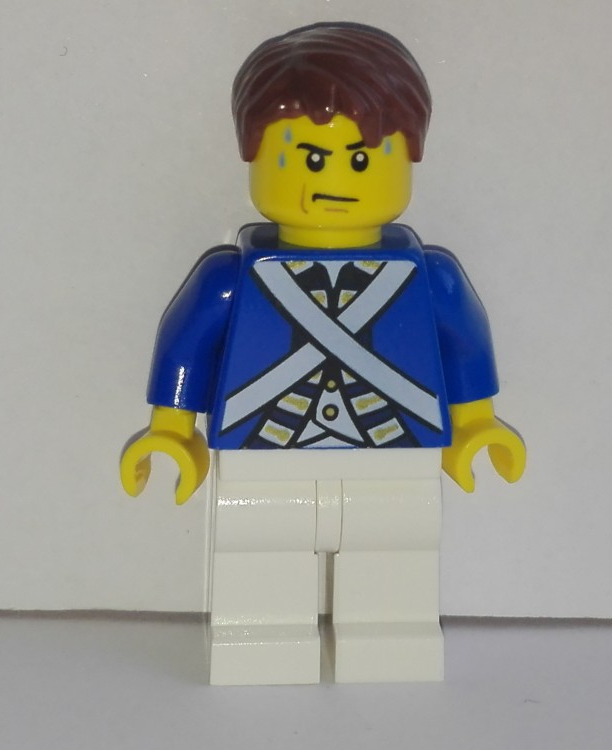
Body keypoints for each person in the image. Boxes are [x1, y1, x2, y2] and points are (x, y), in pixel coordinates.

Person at [120, 22, 525, 684]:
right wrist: (171, 431)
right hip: (263, 449)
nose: (335, 178)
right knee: (259, 548)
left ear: (409, 157)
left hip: (394, 446)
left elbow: (464, 343)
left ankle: (389, 639)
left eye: (361, 159)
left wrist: (476, 424)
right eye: (310, 158)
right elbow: (186, 340)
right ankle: (261, 639)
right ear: (253, 155)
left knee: (393, 553)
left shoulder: (431, 279)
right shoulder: (230, 279)